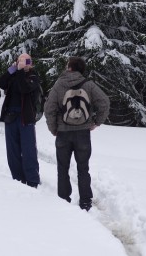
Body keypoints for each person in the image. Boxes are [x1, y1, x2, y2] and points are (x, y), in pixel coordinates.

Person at [44, 56, 110, 211]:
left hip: (63, 133)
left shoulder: (59, 84)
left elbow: (49, 109)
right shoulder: (89, 85)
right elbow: (104, 102)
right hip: (83, 132)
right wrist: (96, 122)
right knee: (83, 168)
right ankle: (86, 202)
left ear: (70, 68)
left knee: (62, 167)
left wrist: (53, 128)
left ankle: (63, 200)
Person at [0, 53, 40, 188]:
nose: (23, 63)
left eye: (26, 61)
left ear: (31, 63)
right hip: (11, 116)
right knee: (12, 150)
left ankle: (32, 180)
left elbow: (24, 88)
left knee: (28, 150)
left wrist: (21, 72)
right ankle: (17, 179)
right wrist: (10, 71)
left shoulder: (33, 76)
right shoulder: (14, 75)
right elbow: (1, 83)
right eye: (20, 61)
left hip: (25, 117)